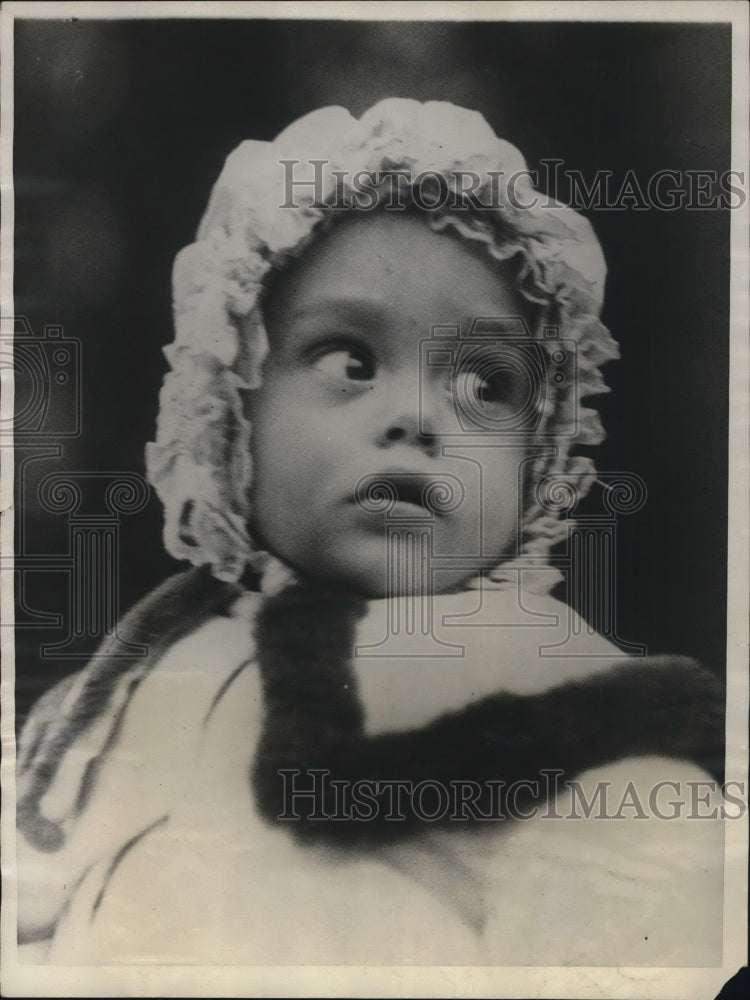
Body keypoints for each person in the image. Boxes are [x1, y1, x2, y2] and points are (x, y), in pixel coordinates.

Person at [15, 99, 725, 966]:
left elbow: (645, 927)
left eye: (485, 385)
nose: (417, 418)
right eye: (351, 360)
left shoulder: (555, 679)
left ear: (543, 452)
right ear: (230, 406)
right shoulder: (129, 681)